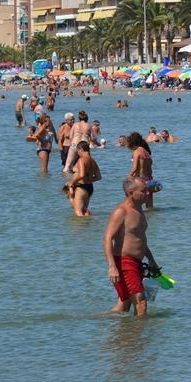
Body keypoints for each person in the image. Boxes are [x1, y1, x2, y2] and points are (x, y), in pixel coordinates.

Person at [103, 177, 159, 317]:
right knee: (141, 303)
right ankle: (140, 337)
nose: (148, 193)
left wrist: (152, 260)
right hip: (123, 262)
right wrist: (112, 267)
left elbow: (139, 239)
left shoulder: (139, 210)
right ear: (131, 192)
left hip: (137, 262)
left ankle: (121, 332)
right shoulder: (121, 212)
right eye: (143, 191)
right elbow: (107, 239)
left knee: (125, 304)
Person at [66, 141, 102, 216]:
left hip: (81, 187)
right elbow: (98, 177)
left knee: (78, 212)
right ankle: (88, 226)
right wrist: (89, 180)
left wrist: (71, 182)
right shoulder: (93, 161)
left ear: (81, 149)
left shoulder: (81, 160)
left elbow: (81, 175)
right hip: (89, 187)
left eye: (77, 151)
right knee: (84, 210)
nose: (77, 153)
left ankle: (79, 228)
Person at [125, 132, 156, 209]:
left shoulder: (136, 152)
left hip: (141, 181)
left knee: (135, 206)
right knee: (150, 207)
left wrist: (128, 178)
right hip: (149, 180)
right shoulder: (146, 152)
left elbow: (135, 168)